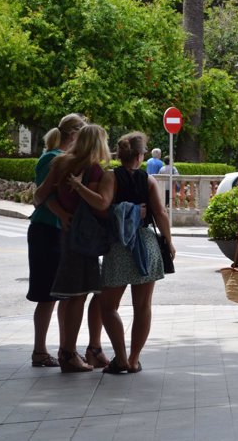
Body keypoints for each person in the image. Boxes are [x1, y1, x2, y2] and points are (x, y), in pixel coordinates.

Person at [69, 132, 175, 374]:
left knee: (108, 306)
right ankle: (135, 359)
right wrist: (169, 242)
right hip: (146, 244)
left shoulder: (110, 177)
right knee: (143, 307)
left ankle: (121, 357)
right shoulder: (148, 180)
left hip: (119, 245)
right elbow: (160, 213)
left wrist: (77, 187)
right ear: (139, 156)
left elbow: (102, 204)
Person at [33, 124, 112, 372]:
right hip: (84, 239)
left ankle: (79, 350)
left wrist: (62, 214)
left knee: (80, 294)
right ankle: (69, 353)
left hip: (67, 236)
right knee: (80, 295)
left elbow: (39, 195)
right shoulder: (94, 170)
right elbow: (101, 206)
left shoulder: (61, 164)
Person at [26, 113, 83, 367]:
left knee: (64, 293)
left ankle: (64, 349)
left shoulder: (68, 159)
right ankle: (40, 350)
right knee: (46, 294)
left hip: (60, 232)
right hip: (46, 231)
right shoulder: (51, 159)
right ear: (74, 135)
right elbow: (41, 196)